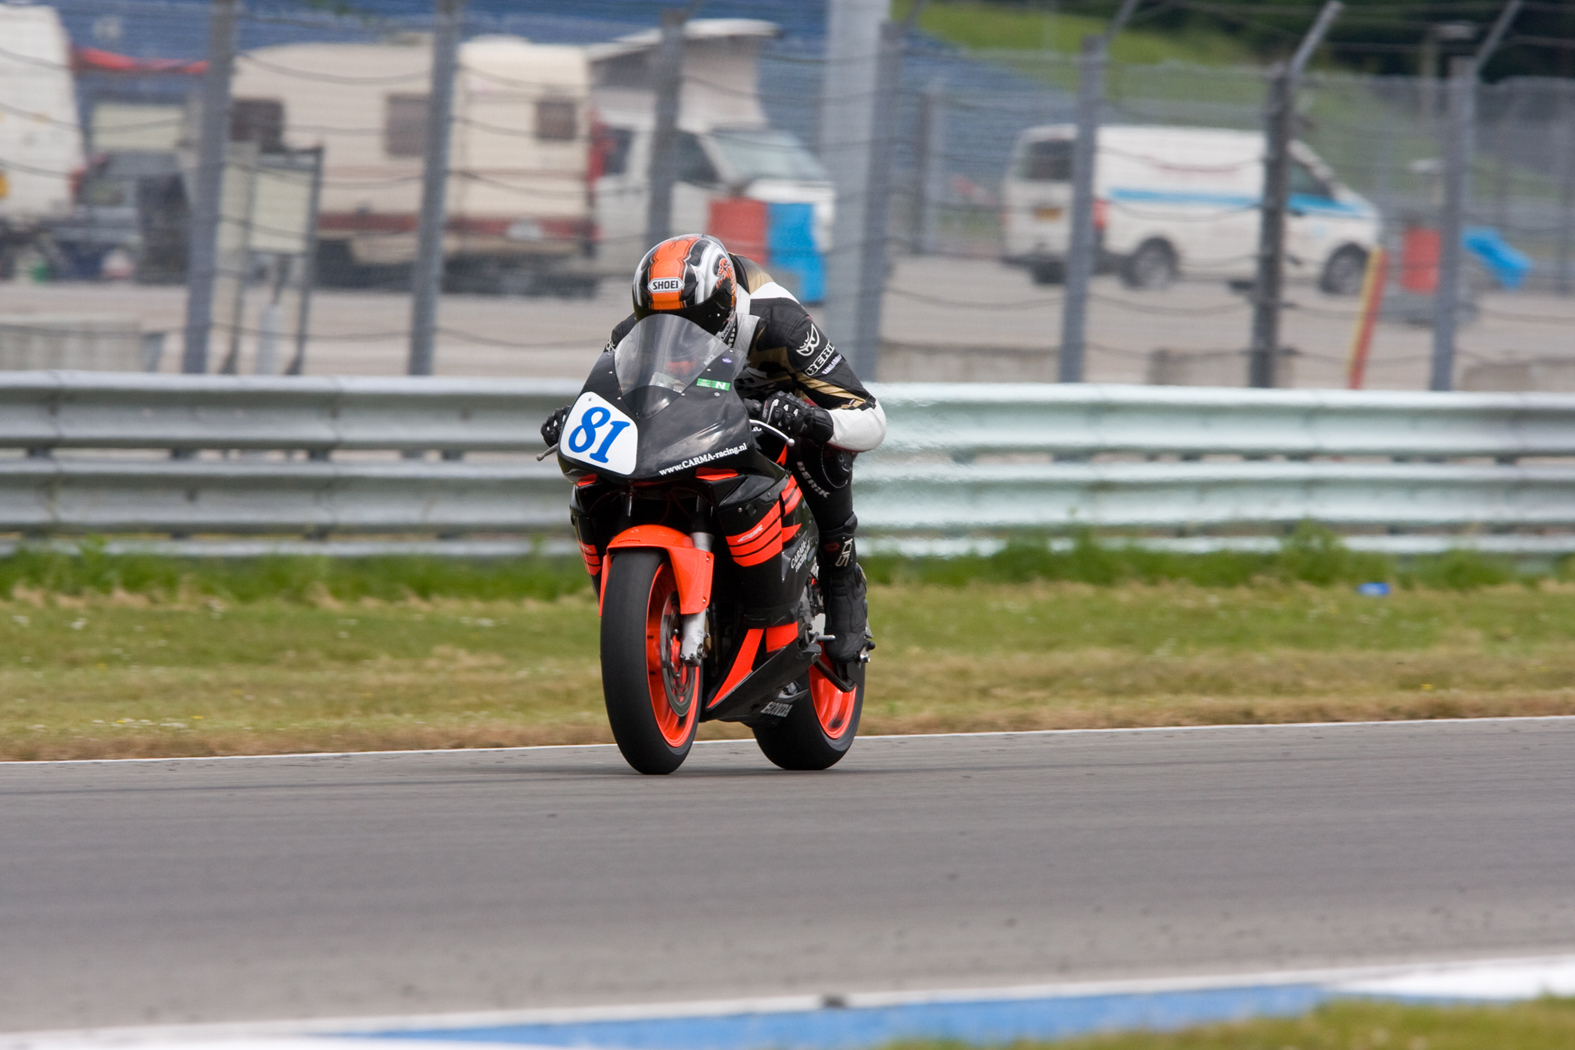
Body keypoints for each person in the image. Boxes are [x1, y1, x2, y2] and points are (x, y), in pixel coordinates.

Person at [542, 234, 885, 664]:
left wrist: (810, 418)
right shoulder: (631, 335)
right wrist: (574, 416)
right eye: (658, 323)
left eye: (693, 323)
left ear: (722, 310)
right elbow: (613, 397)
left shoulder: (779, 323)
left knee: (819, 438)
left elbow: (871, 417)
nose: (675, 339)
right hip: (702, 422)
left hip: (776, 416)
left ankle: (841, 574)